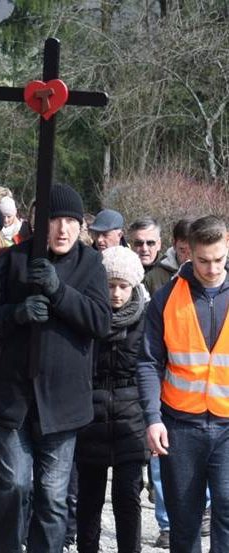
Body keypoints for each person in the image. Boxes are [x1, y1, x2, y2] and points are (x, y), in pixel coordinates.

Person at [0, 183, 111, 553]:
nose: (62, 229)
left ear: (81, 226)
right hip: (14, 398)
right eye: (54, 220)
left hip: (63, 404)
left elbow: (100, 322)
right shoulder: (13, 260)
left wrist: (58, 291)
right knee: (15, 486)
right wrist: (16, 313)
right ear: (38, 223)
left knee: (52, 496)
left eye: (71, 221)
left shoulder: (91, 264)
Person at [137, 215, 229, 553]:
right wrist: (152, 418)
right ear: (188, 252)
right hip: (180, 426)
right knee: (184, 521)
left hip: (227, 427)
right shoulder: (166, 299)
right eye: (203, 261)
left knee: (227, 511)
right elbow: (148, 362)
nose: (212, 268)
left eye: (219, 259)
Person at [76, 246, 148, 553]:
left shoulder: (146, 320)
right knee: (89, 499)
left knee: (128, 497)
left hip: (131, 419)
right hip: (90, 417)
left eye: (123, 286)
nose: (116, 294)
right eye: (110, 285)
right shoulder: (87, 316)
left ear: (133, 287)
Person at [144, 218, 192, 296]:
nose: (187, 257)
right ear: (174, 244)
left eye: (192, 251)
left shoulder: (207, 274)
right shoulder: (154, 278)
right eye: (182, 250)